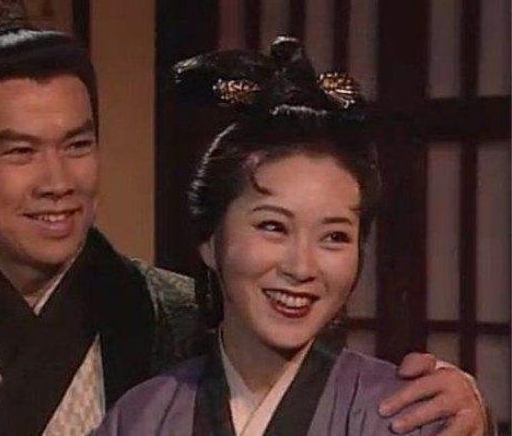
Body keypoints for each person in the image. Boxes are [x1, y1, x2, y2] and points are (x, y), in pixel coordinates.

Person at [0, 0, 487, 436]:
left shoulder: (184, 312)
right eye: (20, 151)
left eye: (78, 144)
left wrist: (458, 406)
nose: (58, 181)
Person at [95, 37, 491, 435]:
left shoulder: (404, 414)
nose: (301, 267)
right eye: (273, 227)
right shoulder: (142, 418)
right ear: (210, 240)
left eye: (334, 237)